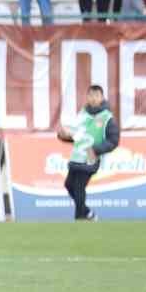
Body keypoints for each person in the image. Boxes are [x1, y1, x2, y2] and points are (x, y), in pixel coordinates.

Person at [55, 84, 118, 221]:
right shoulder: (82, 114)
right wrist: (64, 136)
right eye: (91, 95)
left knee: (79, 187)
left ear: (102, 98)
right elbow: (78, 136)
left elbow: (113, 141)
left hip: (91, 158)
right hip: (77, 156)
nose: (93, 98)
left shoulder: (107, 117)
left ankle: (80, 218)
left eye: (97, 95)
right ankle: (87, 213)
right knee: (69, 185)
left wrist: (95, 150)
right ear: (87, 97)